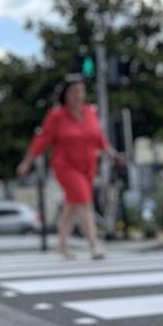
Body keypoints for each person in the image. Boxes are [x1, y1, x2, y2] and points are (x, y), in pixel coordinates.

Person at [17, 74, 123, 259]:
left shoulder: (90, 112)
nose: (77, 95)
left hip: (88, 166)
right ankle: (94, 244)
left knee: (71, 206)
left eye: (81, 91)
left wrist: (113, 154)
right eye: (73, 91)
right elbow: (42, 140)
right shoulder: (57, 115)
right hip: (66, 166)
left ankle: (61, 245)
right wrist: (27, 162)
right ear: (65, 94)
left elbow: (100, 139)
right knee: (84, 201)